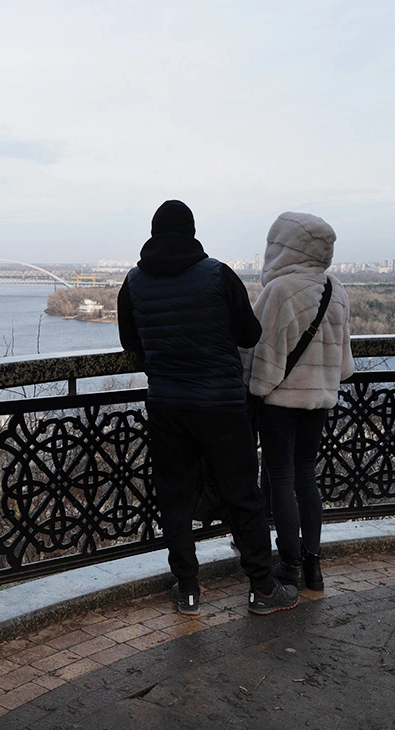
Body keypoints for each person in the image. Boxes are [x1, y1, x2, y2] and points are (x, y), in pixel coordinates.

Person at [118, 200, 299, 616]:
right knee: (242, 495)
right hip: (221, 405)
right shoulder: (218, 274)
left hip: (167, 406)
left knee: (175, 497)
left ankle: (188, 589)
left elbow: (132, 344)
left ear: (153, 233)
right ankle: (262, 588)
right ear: (192, 231)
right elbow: (249, 334)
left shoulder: (132, 281)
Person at [244, 212, 353, 592]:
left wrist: (255, 391)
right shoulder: (335, 290)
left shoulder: (280, 290)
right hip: (320, 400)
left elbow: (260, 356)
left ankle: (288, 562)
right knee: (306, 477)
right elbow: (345, 364)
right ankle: (314, 566)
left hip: (280, 403)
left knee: (281, 478)